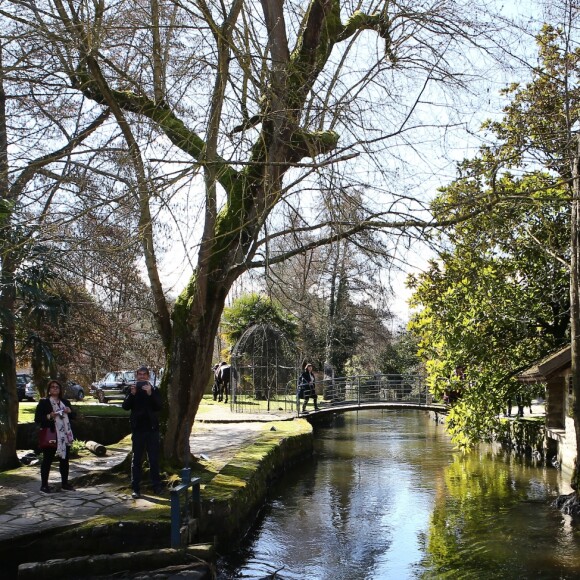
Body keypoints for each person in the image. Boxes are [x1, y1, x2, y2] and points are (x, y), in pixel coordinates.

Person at [122, 365, 162, 498]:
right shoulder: (131, 389)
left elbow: (159, 406)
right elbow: (125, 406)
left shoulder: (155, 389)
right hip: (138, 429)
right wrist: (132, 395)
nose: (142, 376)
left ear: (148, 376)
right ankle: (136, 488)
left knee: (154, 459)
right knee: (136, 460)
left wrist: (150, 393)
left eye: (144, 374)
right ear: (136, 376)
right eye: (140, 374)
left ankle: (156, 486)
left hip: (152, 429)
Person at [34, 379, 75, 493]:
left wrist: (69, 411)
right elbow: (37, 419)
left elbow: (73, 416)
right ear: (49, 390)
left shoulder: (65, 402)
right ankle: (44, 485)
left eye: (57, 387)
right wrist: (49, 416)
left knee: (64, 460)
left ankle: (65, 483)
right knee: (47, 460)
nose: (55, 388)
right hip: (51, 434)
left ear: (60, 389)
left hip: (64, 435)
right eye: (52, 387)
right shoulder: (44, 402)